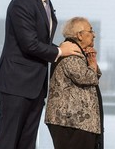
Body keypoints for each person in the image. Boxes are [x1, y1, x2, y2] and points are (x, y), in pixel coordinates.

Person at [0, 0, 82, 149]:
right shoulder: (23, 2)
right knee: (8, 143)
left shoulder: (46, 4)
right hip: (16, 86)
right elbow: (30, 44)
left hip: (35, 87)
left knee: (27, 143)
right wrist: (59, 51)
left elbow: (41, 42)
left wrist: (67, 50)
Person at [45, 17, 104, 149]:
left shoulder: (77, 53)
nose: (94, 35)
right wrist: (93, 64)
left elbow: (93, 76)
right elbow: (88, 77)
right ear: (79, 35)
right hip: (71, 122)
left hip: (76, 123)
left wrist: (91, 61)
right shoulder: (71, 53)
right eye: (91, 31)